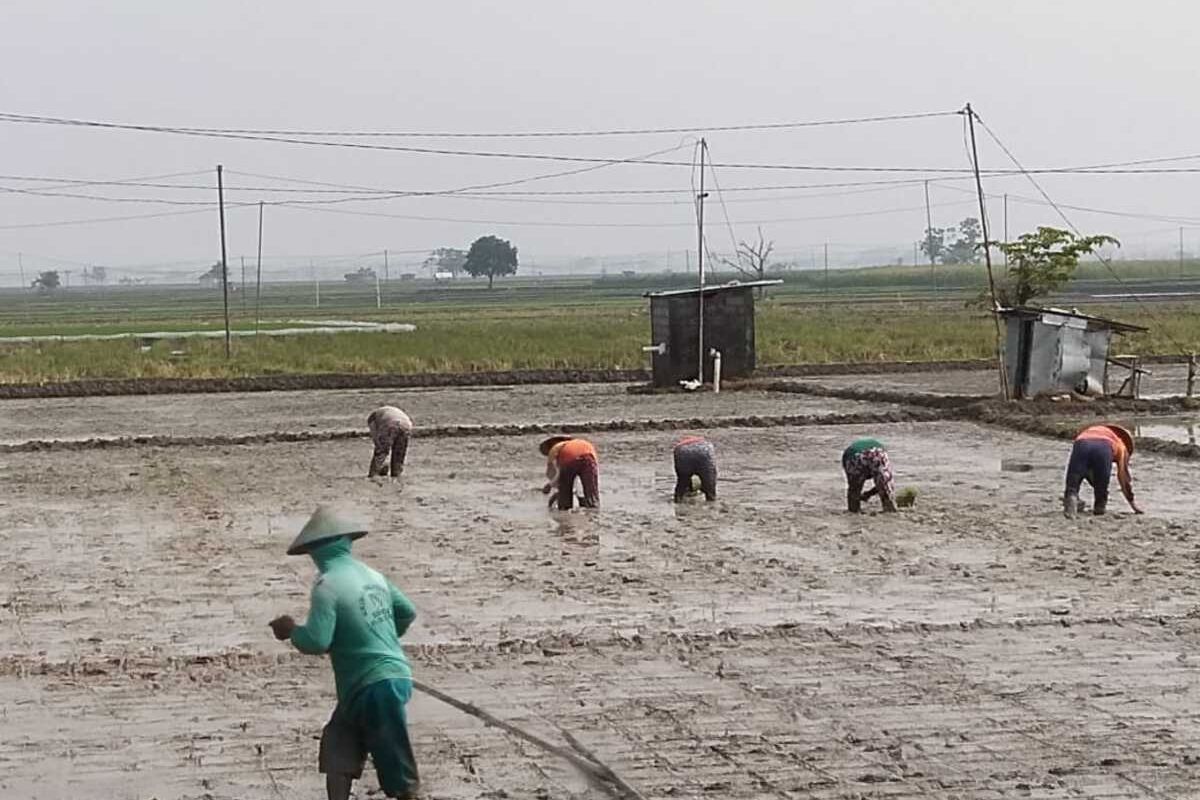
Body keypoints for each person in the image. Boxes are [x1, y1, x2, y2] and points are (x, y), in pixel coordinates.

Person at [268, 506, 420, 800]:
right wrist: (384, 639)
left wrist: (291, 631)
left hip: (373, 685)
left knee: (393, 757)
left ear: (317, 549)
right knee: (339, 740)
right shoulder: (372, 575)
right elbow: (406, 612)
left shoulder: (328, 585)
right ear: (345, 543)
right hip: (378, 680)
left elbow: (317, 640)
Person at [1064, 423, 1142, 517]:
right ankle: (1099, 508)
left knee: (1074, 477)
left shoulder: (1094, 430)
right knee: (1102, 484)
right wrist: (1132, 504)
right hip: (1104, 447)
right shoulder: (1121, 445)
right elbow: (1123, 477)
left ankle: (1072, 498)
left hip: (1081, 443)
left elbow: (1087, 471)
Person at [540, 435, 600, 510]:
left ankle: (564, 510)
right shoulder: (580, 443)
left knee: (564, 496)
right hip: (590, 457)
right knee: (591, 493)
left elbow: (555, 473)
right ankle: (593, 511)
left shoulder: (555, 448)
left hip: (569, 460)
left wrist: (550, 485)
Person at [842, 438, 897, 513]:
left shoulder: (846, 459)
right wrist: (869, 494)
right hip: (877, 452)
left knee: (854, 493)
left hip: (853, 456)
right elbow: (882, 483)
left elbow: (852, 487)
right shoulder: (879, 452)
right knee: (886, 493)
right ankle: (890, 513)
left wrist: (868, 494)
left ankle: (854, 516)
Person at [367, 406, 413, 479]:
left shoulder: (372, 419)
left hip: (391, 424)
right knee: (399, 455)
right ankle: (397, 477)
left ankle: (373, 476)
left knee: (381, 452)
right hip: (407, 424)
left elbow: (376, 439)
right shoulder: (384, 411)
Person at [673, 435, 717, 502]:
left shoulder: (680, 446)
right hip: (704, 449)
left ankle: (678, 498)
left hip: (682, 451)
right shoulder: (706, 444)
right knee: (709, 481)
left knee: (683, 480)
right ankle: (711, 499)